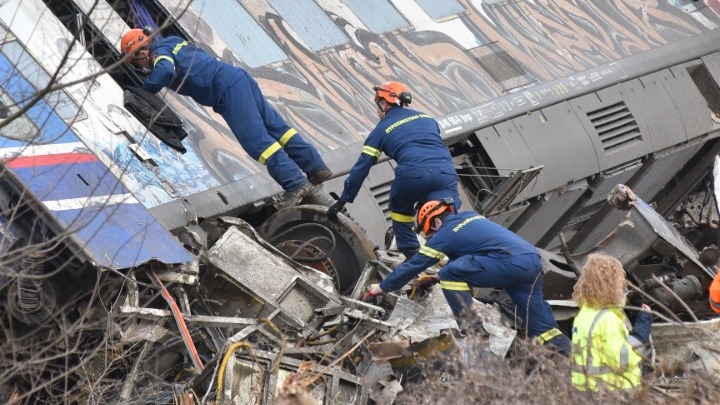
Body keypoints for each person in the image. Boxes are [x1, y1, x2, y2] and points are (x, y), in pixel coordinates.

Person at [120, 28, 332, 208]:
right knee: (277, 129)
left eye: (135, 62)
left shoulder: (160, 52)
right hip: (237, 78)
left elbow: (164, 70)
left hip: (226, 89)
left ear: (140, 53)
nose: (140, 68)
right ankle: (316, 167)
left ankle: (295, 183)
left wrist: (144, 91)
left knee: (256, 141)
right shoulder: (173, 42)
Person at [362, 199, 572, 354]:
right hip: (532, 264)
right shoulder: (469, 217)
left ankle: (474, 331)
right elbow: (476, 253)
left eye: (430, 234)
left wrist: (379, 288)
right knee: (543, 329)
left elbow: (414, 265)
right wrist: (436, 279)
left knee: (449, 274)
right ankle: (580, 366)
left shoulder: (446, 232)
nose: (433, 239)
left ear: (435, 223)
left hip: (510, 264)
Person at [327, 81, 459, 260]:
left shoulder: (380, 131)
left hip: (412, 175)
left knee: (399, 208)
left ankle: (412, 254)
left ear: (383, 103)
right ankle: (455, 254)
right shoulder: (427, 118)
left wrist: (344, 199)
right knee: (446, 213)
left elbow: (361, 168)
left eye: (377, 104)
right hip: (446, 173)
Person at [571, 254, 653, 391]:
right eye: (620, 281)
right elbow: (623, 361)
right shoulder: (607, 320)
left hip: (589, 391)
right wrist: (642, 328)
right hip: (615, 393)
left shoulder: (584, 315)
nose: (623, 286)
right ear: (611, 285)